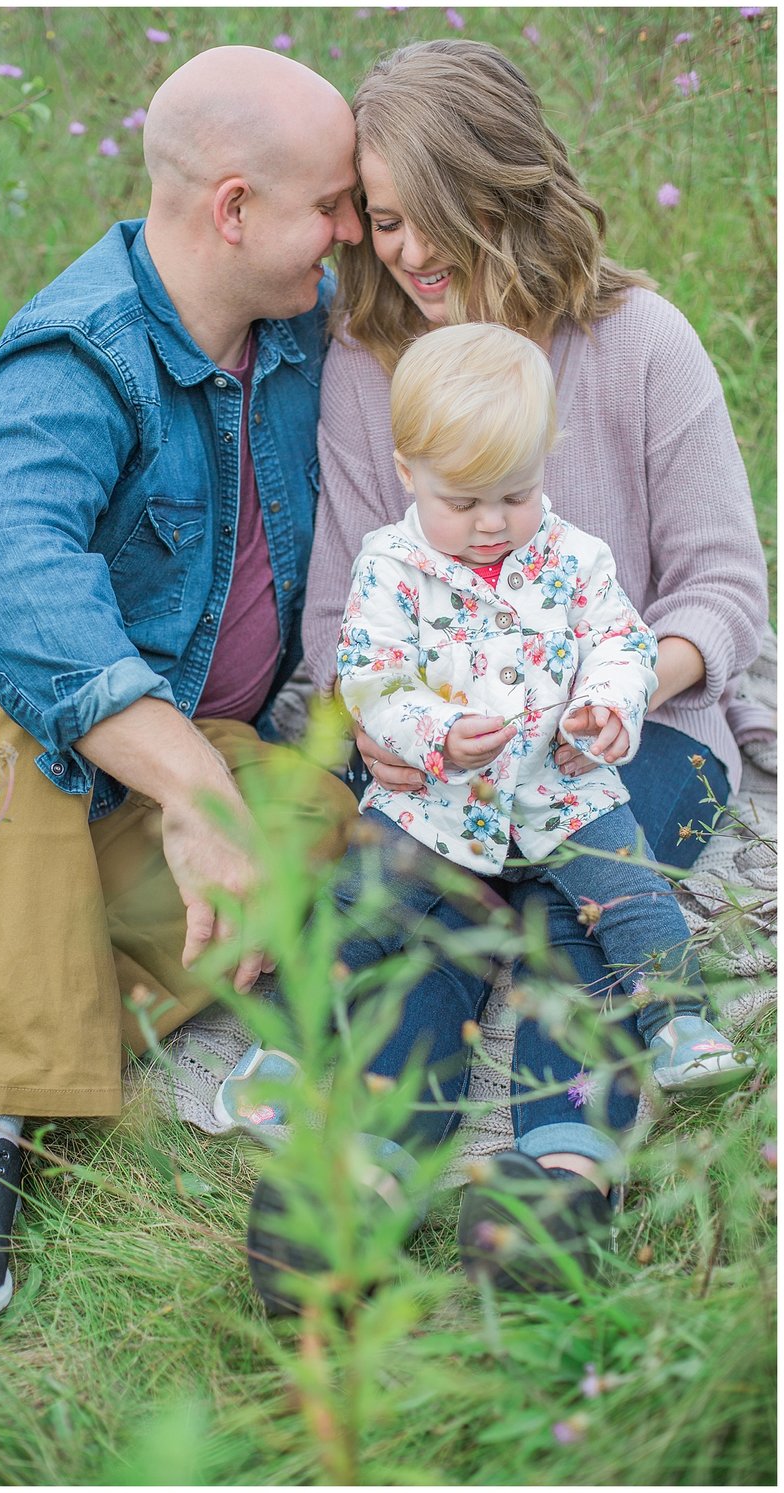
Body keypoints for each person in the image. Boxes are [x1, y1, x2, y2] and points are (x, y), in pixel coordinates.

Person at [0, 44, 364, 1322]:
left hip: (161, 739)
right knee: (28, 687)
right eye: (331, 204)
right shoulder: (81, 349)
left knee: (320, 821)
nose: (349, 232)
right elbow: (6, 569)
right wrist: (182, 784)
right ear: (233, 208)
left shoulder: (299, 332)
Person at [247, 37, 769, 1305]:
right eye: (383, 221)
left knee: (569, 894)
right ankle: (358, 1161)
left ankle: (558, 1163)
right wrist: (402, 729)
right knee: (420, 894)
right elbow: (341, 624)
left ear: (508, 186)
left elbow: (724, 592)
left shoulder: (638, 343)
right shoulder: (372, 372)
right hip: (451, 758)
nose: (411, 252)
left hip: (632, 733)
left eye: (439, 214)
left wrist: (613, 694)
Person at [339, 321, 750, 1093]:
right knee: (363, 903)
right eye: (463, 502)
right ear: (407, 473)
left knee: (630, 892)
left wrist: (607, 706)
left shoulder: (572, 556)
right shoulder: (391, 566)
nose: (492, 523)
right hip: (435, 799)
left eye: (515, 495)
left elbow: (623, 641)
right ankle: (291, 1042)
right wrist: (434, 732)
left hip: (563, 783)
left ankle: (680, 1020)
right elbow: (370, 671)